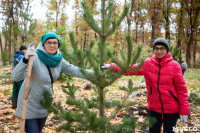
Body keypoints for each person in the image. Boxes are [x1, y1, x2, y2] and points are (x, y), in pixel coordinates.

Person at [102, 38, 190, 133]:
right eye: (156, 48)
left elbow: (181, 89)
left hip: (172, 109)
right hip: (154, 108)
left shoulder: (175, 66)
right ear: (153, 50)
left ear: (167, 50)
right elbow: (130, 69)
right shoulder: (148, 64)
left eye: (162, 48)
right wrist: (112, 66)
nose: (159, 51)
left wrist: (184, 110)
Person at [12, 32, 92, 133]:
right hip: (29, 104)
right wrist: (25, 59)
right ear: (43, 44)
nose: (52, 45)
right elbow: (15, 77)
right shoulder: (34, 57)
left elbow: (75, 70)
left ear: (58, 45)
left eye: (55, 43)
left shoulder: (59, 59)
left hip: (45, 103)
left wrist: (100, 72)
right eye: (49, 42)